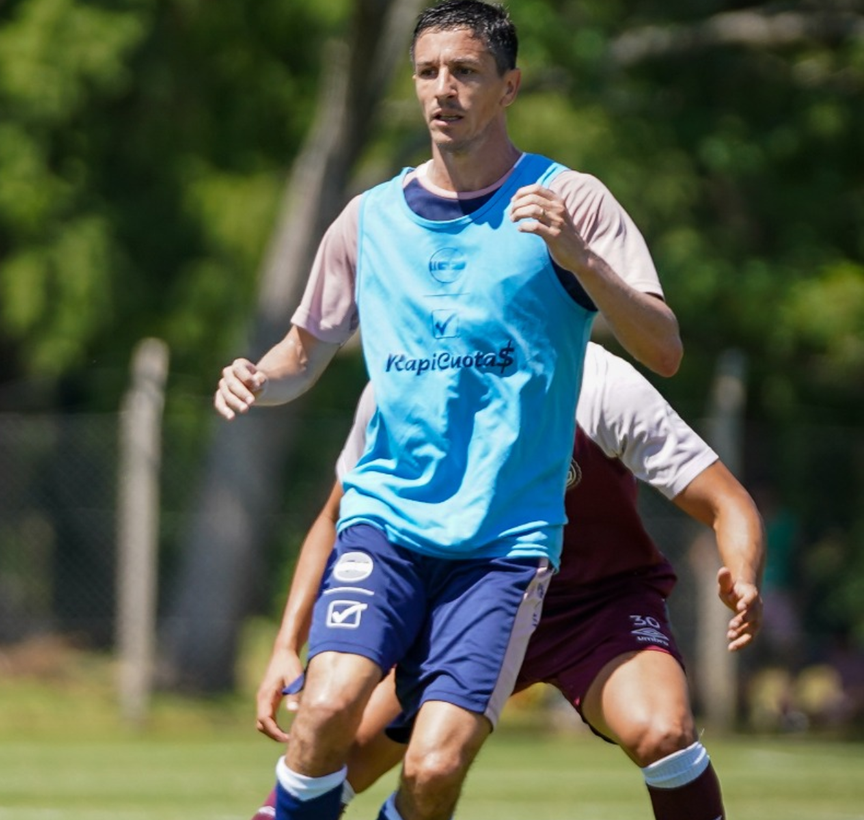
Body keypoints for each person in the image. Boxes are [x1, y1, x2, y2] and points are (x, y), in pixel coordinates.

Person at [213, 3, 682, 819]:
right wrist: (257, 377)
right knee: (323, 709)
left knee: (431, 771)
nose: (443, 90)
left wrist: (583, 262)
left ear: (508, 85)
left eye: (464, 72)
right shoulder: (368, 219)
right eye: (428, 72)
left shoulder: (569, 201)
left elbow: (665, 347)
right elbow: (303, 352)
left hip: (505, 547)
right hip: (388, 521)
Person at [250, 343, 764, 820]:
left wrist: (743, 574)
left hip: (593, 609)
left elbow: (728, 501)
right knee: (335, 747)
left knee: (664, 732)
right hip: (465, 606)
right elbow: (336, 517)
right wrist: (286, 643)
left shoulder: (598, 381)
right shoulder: (410, 373)